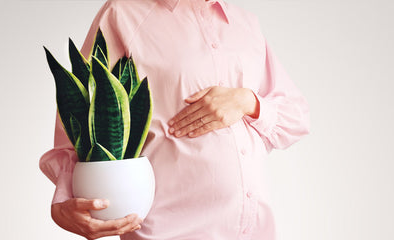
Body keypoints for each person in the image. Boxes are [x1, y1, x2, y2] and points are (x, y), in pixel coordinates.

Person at [40, 0, 310, 239]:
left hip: (255, 232)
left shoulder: (245, 24)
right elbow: (76, 126)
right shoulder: (123, 14)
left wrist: (248, 101)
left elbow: (296, 118)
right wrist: (64, 201)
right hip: (168, 232)